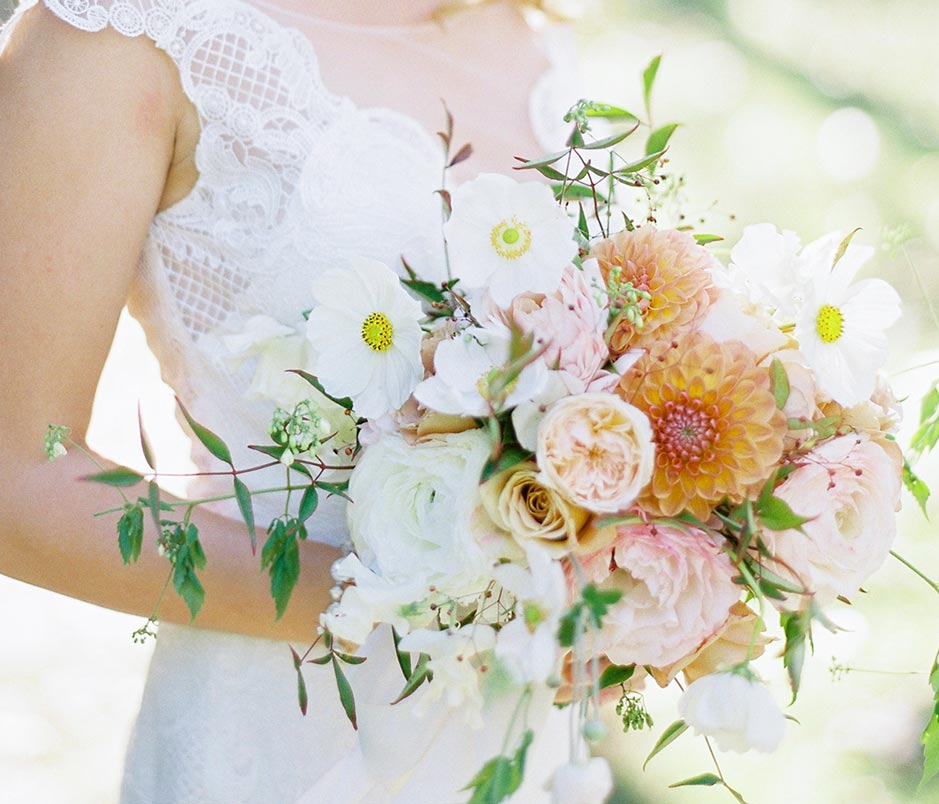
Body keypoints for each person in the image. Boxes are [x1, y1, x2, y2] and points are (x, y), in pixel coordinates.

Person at [0, 0, 579, 800]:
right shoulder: (118, 34)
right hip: (278, 745)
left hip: (523, 749)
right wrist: (424, 603)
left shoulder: (525, 25)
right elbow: (15, 481)